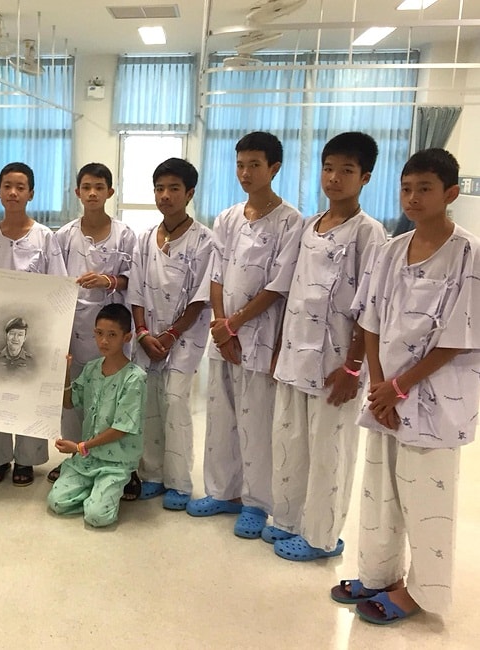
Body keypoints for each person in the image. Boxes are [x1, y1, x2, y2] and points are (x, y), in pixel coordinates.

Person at [331, 148, 480, 625]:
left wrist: (399, 387)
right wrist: (379, 386)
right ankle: (378, 574)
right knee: (380, 492)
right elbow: (371, 320)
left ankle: (420, 592)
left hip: (435, 397)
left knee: (427, 499)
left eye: (425, 189)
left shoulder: (469, 253)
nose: (413, 198)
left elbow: (459, 336)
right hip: (386, 396)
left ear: (450, 193)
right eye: (406, 188)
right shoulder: (391, 249)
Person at [267, 132, 386, 559]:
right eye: (328, 168)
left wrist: (354, 368)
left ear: (365, 177)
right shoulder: (309, 226)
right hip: (294, 356)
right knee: (290, 442)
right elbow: (292, 290)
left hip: (336, 364)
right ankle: (289, 520)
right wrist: (279, 347)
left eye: (346, 171)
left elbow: (370, 308)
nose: (334, 178)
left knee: (329, 452)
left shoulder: (369, 234)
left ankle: (321, 537)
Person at [185, 132, 304, 540]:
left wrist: (234, 324)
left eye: (254, 165)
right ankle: (223, 492)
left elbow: (279, 285)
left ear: (274, 168)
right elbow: (216, 274)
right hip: (224, 336)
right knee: (221, 416)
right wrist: (222, 326)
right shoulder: (228, 217)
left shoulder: (290, 221)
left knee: (257, 421)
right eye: (240, 165)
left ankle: (256, 502)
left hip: (261, 335)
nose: (245, 173)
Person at [0, 162, 67, 486]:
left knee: (29, 392)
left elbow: (59, 286)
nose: (13, 193)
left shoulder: (45, 237)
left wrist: (56, 336)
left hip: (35, 330)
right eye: (7, 186)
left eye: (20, 187)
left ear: (31, 193)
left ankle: (26, 459)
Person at [129, 158, 213, 510]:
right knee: (148, 402)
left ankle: (178, 482)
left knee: (175, 402)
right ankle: (151, 473)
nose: (165, 195)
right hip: (147, 337)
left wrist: (171, 335)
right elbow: (135, 290)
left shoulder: (205, 240)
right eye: (159, 189)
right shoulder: (146, 238)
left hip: (185, 337)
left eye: (173, 189)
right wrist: (143, 333)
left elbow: (201, 297)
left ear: (189, 193)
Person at [51, 162, 135, 483]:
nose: (92, 193)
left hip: (110, 330)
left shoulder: (124, 235)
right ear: (77, 192)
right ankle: (74, 455)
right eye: (86, 187)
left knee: (110, 397)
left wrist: (107, 280)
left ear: (110, 192)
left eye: (99, 187)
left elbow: (134, 280)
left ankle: (113, 459)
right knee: (73, 395)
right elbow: (55, 282)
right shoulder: (64, 236)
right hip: (72, 327)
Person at [47, 303, 146, 527]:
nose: (104, 341)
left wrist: (79, 447)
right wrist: (65, 372)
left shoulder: (135, 378)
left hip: (116, 460)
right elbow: (69, 403)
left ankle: (120, 480)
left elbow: (121, 428)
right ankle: (97, 488)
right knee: (57, 502)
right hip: (88, 458)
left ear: (127, 337)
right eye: (99, 333)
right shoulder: (91, 369)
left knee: (97, 516)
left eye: (112, 335)